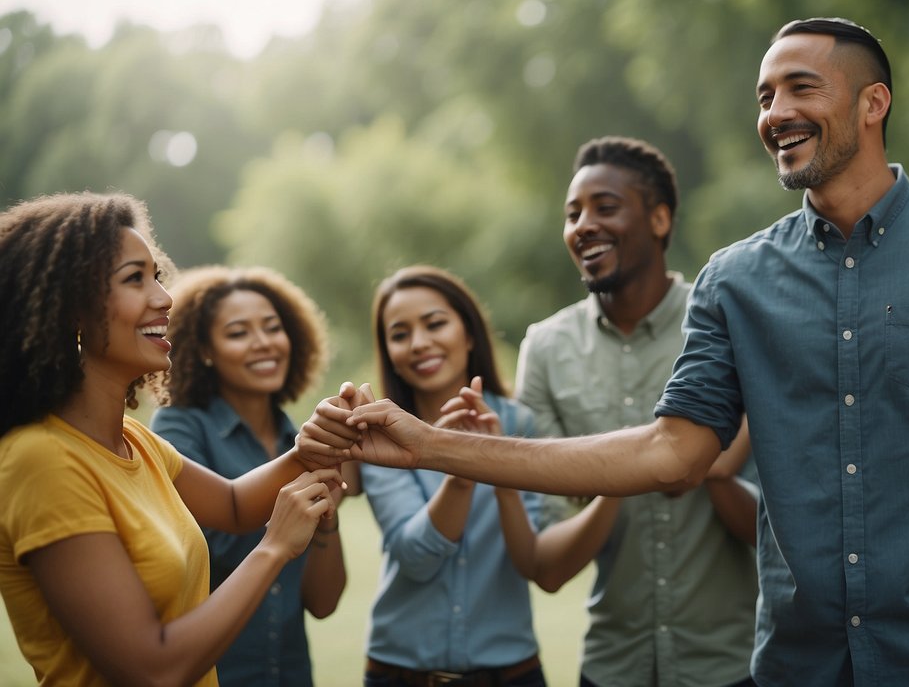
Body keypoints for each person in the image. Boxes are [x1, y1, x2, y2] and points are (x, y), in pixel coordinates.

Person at [302, 17, 909, 687]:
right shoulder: (737, 279)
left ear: (874, 103)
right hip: (799, 668)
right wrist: (432, 444)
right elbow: (672, 452)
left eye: (801, 87)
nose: (775, 111)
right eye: (764, 95)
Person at [0, 192, 338, 686]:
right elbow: (154, 669)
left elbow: (235, 503)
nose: (164, 298)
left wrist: (319, 443)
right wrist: (274, 548)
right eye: (134, 279)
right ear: (70, 308)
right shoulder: (41, 460)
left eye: (155, 275)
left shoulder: (134, 440)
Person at [514, 136, 758, 687]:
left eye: (605, 207)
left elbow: (777, 533)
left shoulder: (729, 327)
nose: (583, 226)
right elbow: (549, 566)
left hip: (733, 667)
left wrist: (708, 468)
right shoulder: (546, 350)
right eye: (572, 214)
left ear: (660, 218)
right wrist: (632, 469)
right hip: (610, 667)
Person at [149, 266, 348, 687]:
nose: (263, 343)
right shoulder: (178, 427)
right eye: (238, 332)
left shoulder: (297, 436)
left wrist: (326, 521)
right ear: (204, 350)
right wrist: (292, 510)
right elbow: (209, 539)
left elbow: (323, 603)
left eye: (273, 328)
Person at [360, 266, 546, 687]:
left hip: (511, 673)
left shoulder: (519, 421)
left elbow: (531, 558)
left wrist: (498, 464)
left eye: (435, 323)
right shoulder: (379, 432)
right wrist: (462, 471)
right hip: (400, 674)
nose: (420, 343)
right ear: (388, 350)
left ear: (469, 333)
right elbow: (416, 558)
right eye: (400, 333)